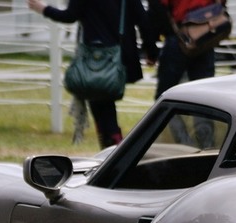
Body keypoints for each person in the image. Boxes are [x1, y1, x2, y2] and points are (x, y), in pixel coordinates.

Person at [27, 0, 158, 148]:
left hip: (92, 57)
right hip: (119, 57)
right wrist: (151, 51)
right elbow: (143, 20)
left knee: (102, 107)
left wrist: (44, 9)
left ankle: (113, 149)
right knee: (105, 106)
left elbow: (70, 16)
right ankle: (113, 147)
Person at [147, 0, 220, 101]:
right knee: (204, 95)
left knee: (167, 94)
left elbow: (157, 8)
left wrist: (151, 49)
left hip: (178, 36)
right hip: (204, 35)